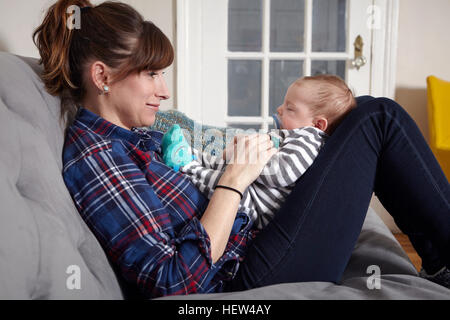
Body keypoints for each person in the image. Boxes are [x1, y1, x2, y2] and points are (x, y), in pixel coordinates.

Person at [34, 0, 450, 298]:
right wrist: (233, 181)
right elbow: (177, 282)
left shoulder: (133, 134)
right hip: (245, 278)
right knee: (379, 118)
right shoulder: (98, 158)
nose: (164, 91)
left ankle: (440, 264)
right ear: (102, 76)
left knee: (373, 111)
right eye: (151, 74)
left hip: (257, 236)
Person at [179, 75, 356, 230]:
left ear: (317, 125)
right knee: (225, 168)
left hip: (257, 205)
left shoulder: (310, 138)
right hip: (253, 186)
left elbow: (282, 173)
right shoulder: (297, 135)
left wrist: (244, 157)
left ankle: (187, 165)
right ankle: (192, 154)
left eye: (290, 108)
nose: (280, 109)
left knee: (223, 181)